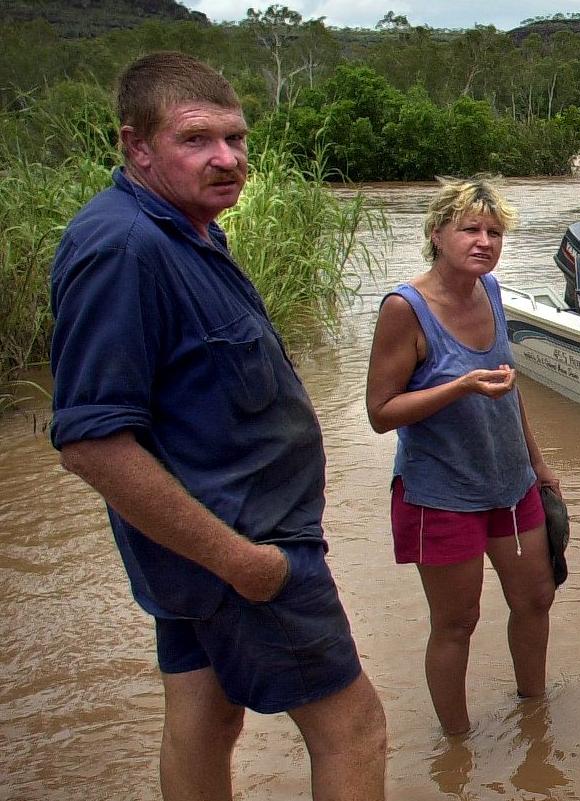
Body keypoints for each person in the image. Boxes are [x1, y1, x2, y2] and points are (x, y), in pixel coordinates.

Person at [50, 51, 386, 801]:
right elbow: (91, 442)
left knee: (202, 719)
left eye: (235, 139)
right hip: (243, 551)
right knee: (353, 727)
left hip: (213, 550)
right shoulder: (122, 248)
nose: (227, 158)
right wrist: (244, 563)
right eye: (196, 139)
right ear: (135, 145)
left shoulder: (190, 230)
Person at [366, 176, 559, 736]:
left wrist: (540, 466)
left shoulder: (492, 291)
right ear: (436, 233)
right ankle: (457, 744)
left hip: (511, 481)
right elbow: (380, 412)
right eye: (469, 228)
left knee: (536, 599)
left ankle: (534, 713)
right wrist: (460, 387)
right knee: (456, 622)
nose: (484, 241)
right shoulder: (406, 308)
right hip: (440, 494)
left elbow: (509, 387)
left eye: (494, 232)